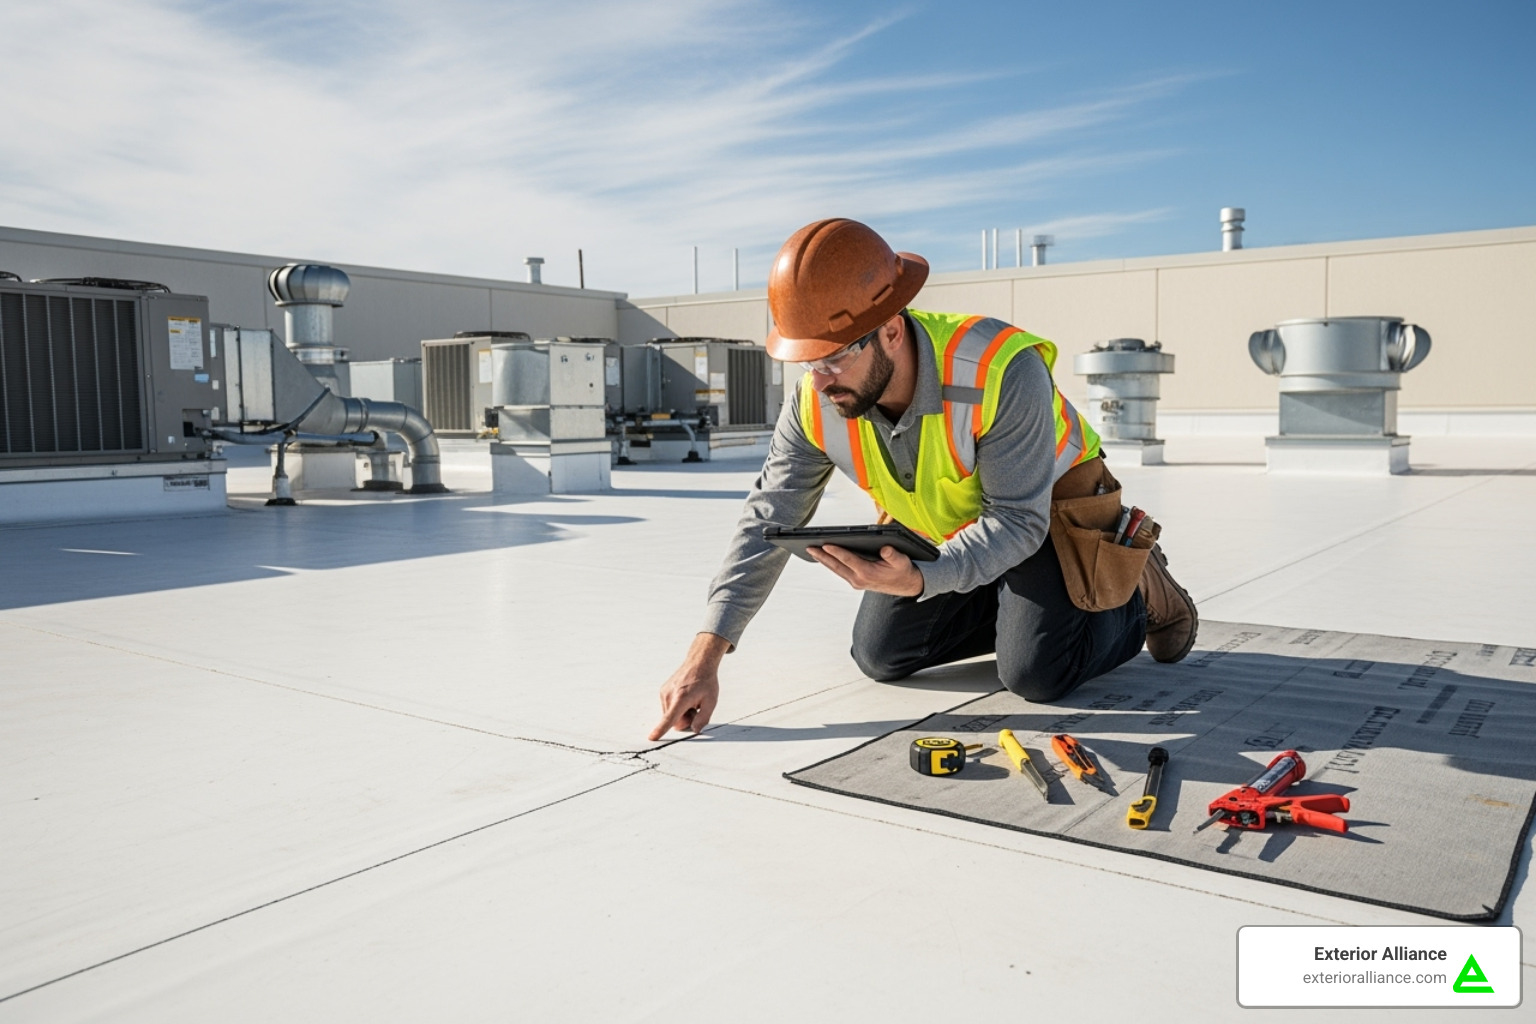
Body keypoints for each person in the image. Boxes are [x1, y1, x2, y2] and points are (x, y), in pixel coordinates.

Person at [649, 218, 1196, 740]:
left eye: (834, 359)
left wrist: (921, 581)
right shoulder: (814, 404)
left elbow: (1015, 520)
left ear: (889, 329)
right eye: (808, 363)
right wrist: (705, 655)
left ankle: (1135, 585)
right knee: (881, 655)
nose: (820, 383)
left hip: (1049, 521)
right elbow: (768, 518)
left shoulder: (1000, 370)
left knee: (1037, 674)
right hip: (955, 532)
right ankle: (1023, 614)